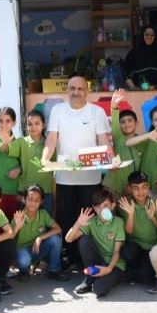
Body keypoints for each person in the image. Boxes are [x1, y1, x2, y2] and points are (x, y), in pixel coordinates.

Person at [41, 75, 112, 268]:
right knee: (66, 218)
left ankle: (86, 259)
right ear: (67, 90)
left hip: (91, 179)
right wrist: (45, 158)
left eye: (80, 88)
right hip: (65, 178)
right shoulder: (58, 110)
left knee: (89, 218)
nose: (76, 92)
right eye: (72, 88)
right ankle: (70, 258)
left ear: (86, 91)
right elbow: (52, 139)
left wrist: (111, 159)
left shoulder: (96, 112)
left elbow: (104, 140)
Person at [65, 189, 126, 298]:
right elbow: (68, 239)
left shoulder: (118, 222)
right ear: (94, 208)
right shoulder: (91, 221)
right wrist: (78, 223)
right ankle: (90, 277)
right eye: (98, 206)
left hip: (114, 264)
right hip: (99, 261)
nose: (101, 209)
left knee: (98, 289)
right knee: (84, 240)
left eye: (105, 205)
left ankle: (113, 277)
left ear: (112, 206)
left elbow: (117, 251)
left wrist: (109, 269)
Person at [10, 184, 69, 282]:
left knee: (56, 239)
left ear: (42, 201)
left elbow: (58, 229)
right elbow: (9, 238)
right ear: (24, 199)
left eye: (37, 200)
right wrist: (17, 227)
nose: (33, 203)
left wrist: (40, 238)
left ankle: (54, 270)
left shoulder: (43, 213)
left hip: (39, 248)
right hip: (23, 250)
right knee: (23, 262)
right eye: (30, 199)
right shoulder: (18, 216)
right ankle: (24, 271)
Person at [2, 109, 55, 215]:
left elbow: (54, 166)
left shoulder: (50, 144)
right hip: (26, 191)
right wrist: (5, 142)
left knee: (47, 221)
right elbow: (4, 149)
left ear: (44, 125)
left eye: (37, 123)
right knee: (24, 220)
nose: (33, 127)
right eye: (29, 124)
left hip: (46, 191)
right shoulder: (21, 142)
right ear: (26, 126)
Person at [118, 171, 157, 285]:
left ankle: (142, 270)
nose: (140, 192)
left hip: (153, 247)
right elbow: (129, 231)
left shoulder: (155, 203)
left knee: (146, 277)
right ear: (130, 189)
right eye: (136, 188)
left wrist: (153, 217)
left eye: (144, 187)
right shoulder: (127, 203)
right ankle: (134, 269)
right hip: (136, 246)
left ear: (148, 187)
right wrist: (131, 214)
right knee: (127, 251)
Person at [104, 89, 143, 196]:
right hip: (113, 186)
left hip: (131, 188)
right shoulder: (118, 136)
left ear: (136, 123)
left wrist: (134, 185)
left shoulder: (141, 140)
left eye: (130, 121)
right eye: (123, 122)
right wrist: (114, 106)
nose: (126, 124)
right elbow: (115, 120)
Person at [128, 105, 157, 195]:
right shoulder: (148, 139)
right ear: (152, 122)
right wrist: (148, 135)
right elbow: (128, 142)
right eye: (156, 120)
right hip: (145, 185)